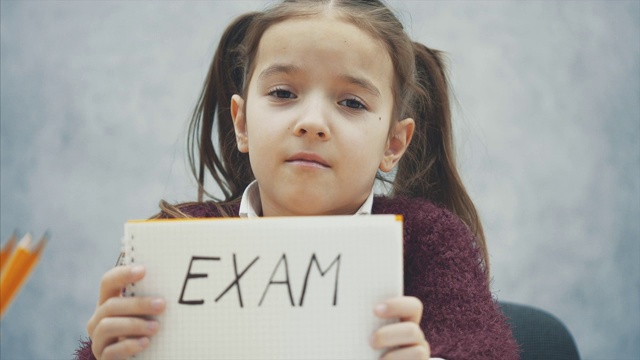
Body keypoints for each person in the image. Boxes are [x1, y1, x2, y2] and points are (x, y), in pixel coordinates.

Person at [75, 0, 519, 359]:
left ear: (393, 144)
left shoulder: (429, 239)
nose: (312, 122)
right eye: (284, 93)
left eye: (351, 102)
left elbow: (486, 351)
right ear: (242, 123)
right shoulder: (173, 240)